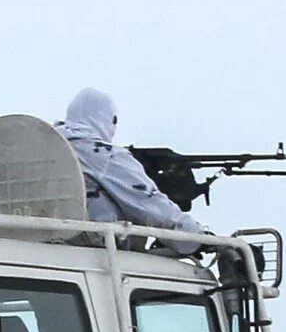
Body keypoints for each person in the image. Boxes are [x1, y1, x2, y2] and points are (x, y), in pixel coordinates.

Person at [58, 88, 208, 234]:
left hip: (46, 237)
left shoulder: (50, 144)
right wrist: (197, 236)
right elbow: (148, 203)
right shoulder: (105, 156)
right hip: (94, 243)